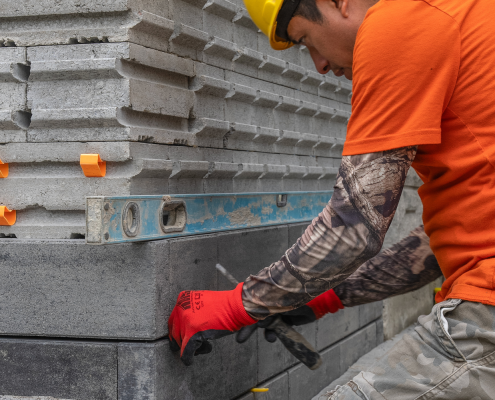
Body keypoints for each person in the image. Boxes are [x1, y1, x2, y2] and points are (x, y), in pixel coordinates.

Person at [168, 0, 495, 397]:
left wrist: (240, 304)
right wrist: (322, 297)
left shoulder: (398, 21)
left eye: (305, 38)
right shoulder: (458, 18)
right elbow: (431, 253)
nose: (319, 64)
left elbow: (354, 228)